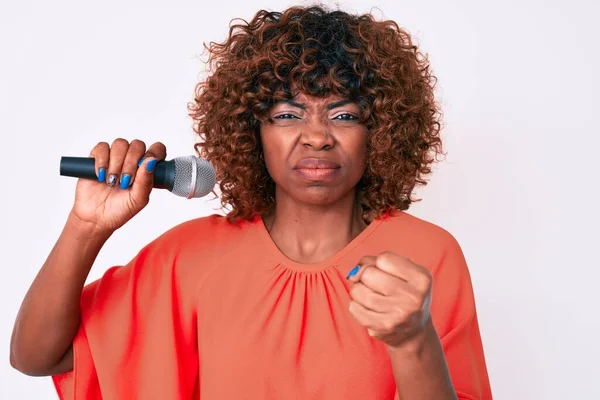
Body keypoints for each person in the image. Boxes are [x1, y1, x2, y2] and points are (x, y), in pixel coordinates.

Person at [10, 5, 492, 400]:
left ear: (380, 131)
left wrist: (412, 341)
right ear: (251, 132)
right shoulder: (189, 258)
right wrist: (86, 225)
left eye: (344, 114)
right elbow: (37, 356)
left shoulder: (426, 255)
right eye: (287, 114)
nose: (317, 137)